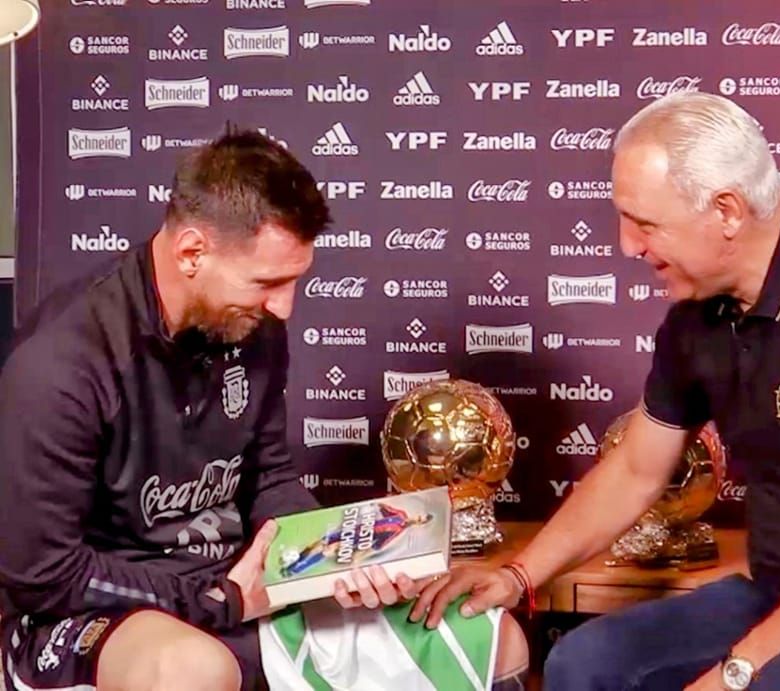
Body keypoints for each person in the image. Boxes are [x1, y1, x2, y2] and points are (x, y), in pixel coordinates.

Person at [413, 92, 780, 690]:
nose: (628, 245)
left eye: (645, 223)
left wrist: (736, 672)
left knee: (774, 685)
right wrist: (518, 576)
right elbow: (636, 471)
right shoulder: (699, 312)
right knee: (584, 662)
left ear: (726, 211)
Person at [0, 130, 527, 690]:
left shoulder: (250, 325)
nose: (284, 306)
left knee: (492, 638)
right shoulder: (61, 364)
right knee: (192, 671)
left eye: (294, 280)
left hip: (241, 588)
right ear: (192, 253)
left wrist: (338, 559)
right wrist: (220, 600)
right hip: (96, 616)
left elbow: (267, 477)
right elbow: (44, 575)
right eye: (267, 282)